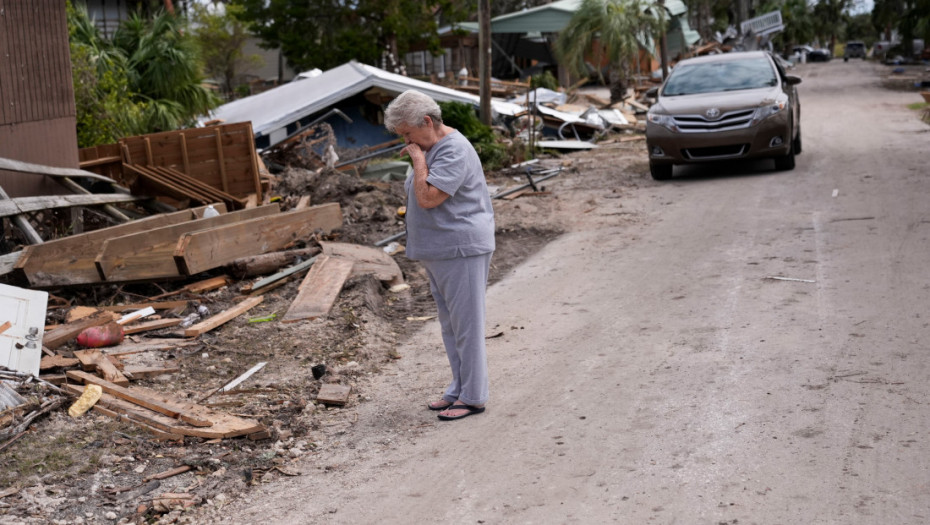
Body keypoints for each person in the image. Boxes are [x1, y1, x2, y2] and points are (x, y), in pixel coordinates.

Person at [383, 89, 495, 421]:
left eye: (407, 133)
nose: (405, 140)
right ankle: (459, 387)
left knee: (467, 324)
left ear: (428, 122)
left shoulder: (453, 150)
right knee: (451, 324)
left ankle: (474, 395)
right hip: (440, 250)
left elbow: (430, 197)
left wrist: (418, 161)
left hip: (460, 249)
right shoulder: (431, 146)